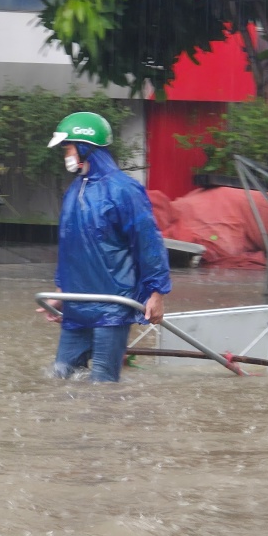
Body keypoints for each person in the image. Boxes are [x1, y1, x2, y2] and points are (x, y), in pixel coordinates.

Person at [40, 111, 171, 383]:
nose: (65, 153)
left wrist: (155, 292)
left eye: (68, 147)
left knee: (103, 386)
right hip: (77, 305)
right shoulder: (74, 191)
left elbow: (148, 243)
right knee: (59, 378)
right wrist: (61, 293)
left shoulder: (124, 191)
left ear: (85, 147)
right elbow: (69, 248)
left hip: (112, 307)